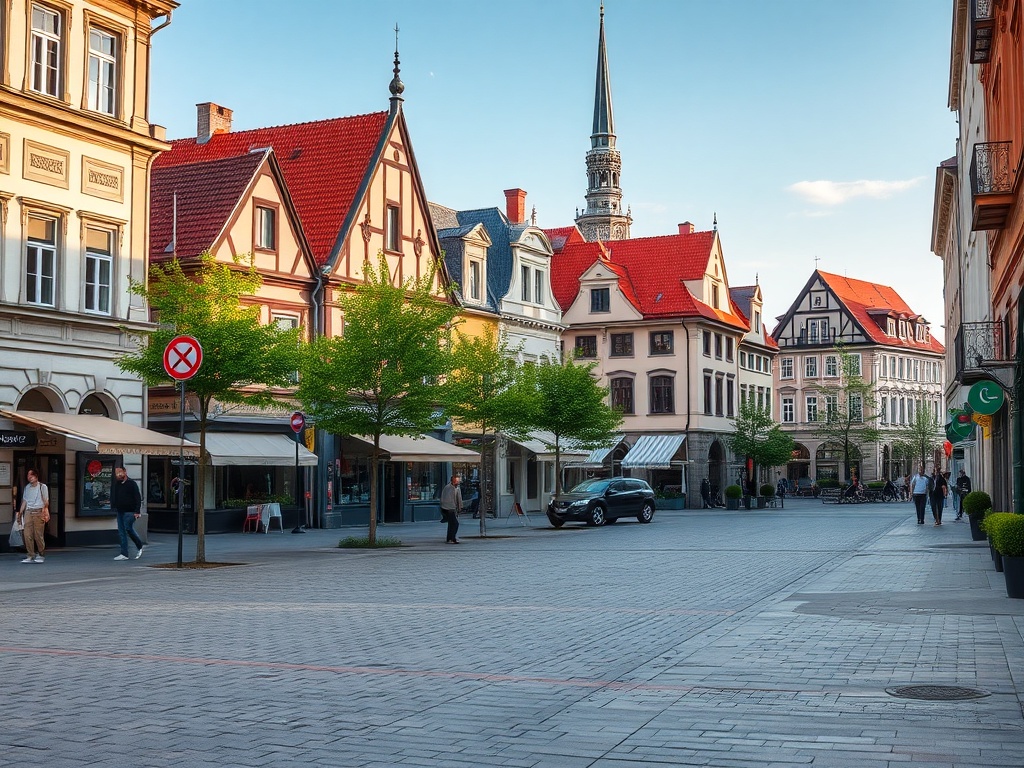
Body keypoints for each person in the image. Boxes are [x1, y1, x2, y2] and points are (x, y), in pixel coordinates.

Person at [110, 467, 145, 560]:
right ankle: (124, 554)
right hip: (120, 510)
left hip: (130, 511)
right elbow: (116, 496)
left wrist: (137, 511)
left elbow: (137, 497)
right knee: (121, 532)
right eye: (116, 473)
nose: (118, 474)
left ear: (125, 472)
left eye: (120, 472)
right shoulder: (117, 484)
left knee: (128, 528)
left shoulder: (131, 484)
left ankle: (139, 545)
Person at [16, 468, 49, 563]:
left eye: (31, 475)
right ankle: (30, 555)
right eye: (28, 475)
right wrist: (20, 513)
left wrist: (45, 511)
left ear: (36, 476)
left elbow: (46, 501)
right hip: (28, 512)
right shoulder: (27, 487)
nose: (29, 477)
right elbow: (24, 501)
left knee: (38, 535)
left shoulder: (43, 487)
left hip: (39, 511)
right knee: (27, 535)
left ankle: (41, 554)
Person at [439, 474, 462, 544]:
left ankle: (450, 538)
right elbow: (446, 500)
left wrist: (460, 507)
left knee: (452, 524)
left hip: (452, 508)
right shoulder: (448, 488)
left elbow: (458, 498)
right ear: (453, 480)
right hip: (449, 509)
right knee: (455, 524)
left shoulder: (456, 488)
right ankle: (452, 538)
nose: (458, 482)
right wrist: (451, 508)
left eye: (458, 480)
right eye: (457, 480)